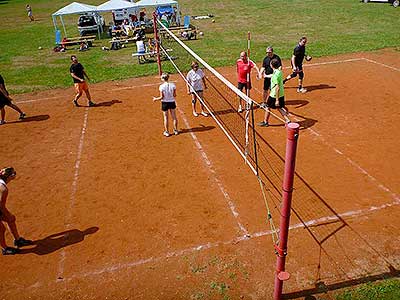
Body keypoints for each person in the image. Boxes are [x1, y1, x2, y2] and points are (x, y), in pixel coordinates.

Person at [0, 167, 33, 255]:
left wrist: (9, 217)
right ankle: (4, 249)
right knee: (1, 228)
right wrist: (8, 215)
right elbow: (1, 206)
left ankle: (18, 240)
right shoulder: (3, 189)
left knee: (11, 220)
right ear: (9, 177)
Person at [258, 58, 291, 127]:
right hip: (281, 94)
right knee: (279, 107)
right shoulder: (279, 72)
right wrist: (266, 76)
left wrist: (277, 100)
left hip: (274, 95)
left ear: (271, 65)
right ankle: (287, 120)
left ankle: (265, 122)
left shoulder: (275, 75)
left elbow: (277, 87)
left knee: (268, 107)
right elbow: (273, 75)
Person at [152, 73, 179, 137]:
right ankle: (175, 130)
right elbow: (175, 95)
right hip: (172, 102)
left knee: (166, 118)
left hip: (165, 103)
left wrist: (155, 99)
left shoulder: (161, 86)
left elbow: (162, 97)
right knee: (174, 117)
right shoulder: (173, 85)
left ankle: (167, 132)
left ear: (163, 79)